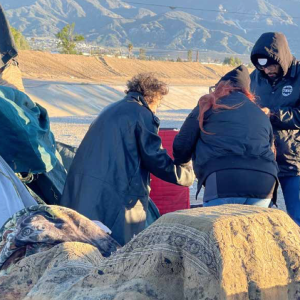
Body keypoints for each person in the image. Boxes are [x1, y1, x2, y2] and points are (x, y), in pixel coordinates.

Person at [61, 73, 194, 246]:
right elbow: (155, 158)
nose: (156, 109)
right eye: (158, 104)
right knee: (116, 252)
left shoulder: (111, 109)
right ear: (153, 98)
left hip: (85, 191)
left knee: (88, 247)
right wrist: (185, 175)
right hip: (115, 197)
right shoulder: (141, 114)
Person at [173, 65, 278, 208]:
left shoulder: (210, 103)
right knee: (250, 229)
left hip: (222, 179)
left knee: (219, 229)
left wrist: (182, 163)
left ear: (220, 87)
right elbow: (271, 149)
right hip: (264, 181)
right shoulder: (260, 112)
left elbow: (182, 143)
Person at [250, 32, 300, 225]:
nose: (267, 70)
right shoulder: (255, 77)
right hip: (261, 159)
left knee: (296, 217)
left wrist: (274, 114)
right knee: (260, 219)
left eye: (272, 65)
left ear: (282, 59)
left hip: (293, 162)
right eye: (262, 66)